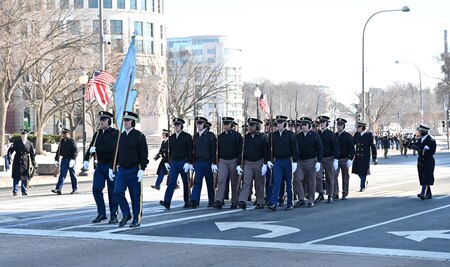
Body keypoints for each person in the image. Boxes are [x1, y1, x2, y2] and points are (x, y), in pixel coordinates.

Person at [112, 111, 149, 227]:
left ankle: (136, 219)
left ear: (133, 122)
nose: (125, 123)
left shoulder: (139, 136)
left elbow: (144, 154)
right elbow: (116, 154)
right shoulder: (121, 136)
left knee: (135, 195)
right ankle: (126, 213)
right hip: (122, 169)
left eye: (127, 121)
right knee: (117, 191)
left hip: (134, 168)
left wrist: (142, 168)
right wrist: (112, 168)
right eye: (124, 120)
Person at [83, 111, 120, 224]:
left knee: (112, 191)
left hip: (111, 165)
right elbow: (91, 146)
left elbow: (111, 148)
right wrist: (86, 159)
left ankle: (114, 214)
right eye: (101, 120)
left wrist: (97, 150)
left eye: (104, 120)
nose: (101, 122)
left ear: (109, 120)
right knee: (96, 189)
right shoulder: (97, 133)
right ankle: (101, 213)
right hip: (100, 166)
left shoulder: (115, 133)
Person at [160, 118, 193, 209]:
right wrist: (166, 161)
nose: (176, 127)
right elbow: (168, 151)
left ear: (181, 126)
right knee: (171, 182)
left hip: (183, 161)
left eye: (178, 125)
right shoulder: (172, 137)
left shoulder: (187, 136)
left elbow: (190, 150)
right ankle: (167, 201)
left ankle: (187, 200)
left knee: (185, 182)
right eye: (175, 125)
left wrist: (189, 162)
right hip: (174, 162)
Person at [267, 115, 298, 211]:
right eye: (277, 123)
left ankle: (290, 202)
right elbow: (269, 149)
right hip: (278, 161)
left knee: (289, 183)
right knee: (276, 182)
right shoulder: (273, 135)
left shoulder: (291, 135)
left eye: (280, 123)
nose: (279, 125)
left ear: (285, 124)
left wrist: (295, 161)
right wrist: (269, 160)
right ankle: (274, 203)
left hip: (287, 160)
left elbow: (295, 149)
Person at [237, 118, 268, 210]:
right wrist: (240, 164)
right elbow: (241, 152)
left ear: (257, 126)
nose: (250, 127)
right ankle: (242, 200)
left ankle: (260, 201)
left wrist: (265, 163)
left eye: (252, 126)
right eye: (249, 125)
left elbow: (266, 151)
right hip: (248, 163)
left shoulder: (262, 137)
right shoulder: (245, 138)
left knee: (259, 183)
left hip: (259, 162)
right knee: (246, 182)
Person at [214, 117, 243, 209]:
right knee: (221, 180)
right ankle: (219, 200)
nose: (225, 126)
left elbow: (240, 151)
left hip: (233, 160)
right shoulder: (220, 136)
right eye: (224, 124)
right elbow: (217, 150)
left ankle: (234, 201)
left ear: (231, 125)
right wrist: (215, 162)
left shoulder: (237, 136)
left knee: (234, 182)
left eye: (227, 124)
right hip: (222, 160)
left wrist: (239, 164)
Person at [294, 117, 322, 208]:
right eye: (302, 125)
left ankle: (311, 200)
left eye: (305, 125)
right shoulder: (298, 136)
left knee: (311, 181)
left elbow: (319, 149)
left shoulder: (314, 135)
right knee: (297, 179)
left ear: (309, 126)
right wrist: (294, 161)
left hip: (311, 160)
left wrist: (319, 161)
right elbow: (294, 149)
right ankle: (301, 198)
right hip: (300, 161)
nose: (303, 127)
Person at [190, 116, 217, 208]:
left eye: (200, 123)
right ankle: (194, 200)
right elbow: (193, 150)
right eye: (197, 123)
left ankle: (212, 201)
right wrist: (192, 162)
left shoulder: (211, 135)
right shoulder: (196, 136)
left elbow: (214, 150)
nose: (199, 125)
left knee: (209, 182)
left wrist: (214, 162)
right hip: (198, 162)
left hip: (208, 161)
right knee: (197, 182)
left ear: (204, 124)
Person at [315, 115, 340, 203]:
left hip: (329, 158)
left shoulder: (331, 135)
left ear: (327, 123)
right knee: (318, 176)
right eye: (320, 123)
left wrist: (336, 159)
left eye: (323, 122)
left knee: (330, 177)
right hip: (319, 158)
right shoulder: (316, 134)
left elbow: (336, 148)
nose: (321, 124)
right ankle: (320, 193)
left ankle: (330, 195)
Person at [409, 125, 436, 200]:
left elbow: (432, 151)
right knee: (423, 177)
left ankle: (423, 193)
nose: (418, 133)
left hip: (428, 161)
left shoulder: (431, 140)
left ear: (423, 132)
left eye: (419, 131)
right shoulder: (420, 139)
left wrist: (421, 150)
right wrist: (408, 144)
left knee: (425, 177)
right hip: (421, 161)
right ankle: (428, 194)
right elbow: (415, 146)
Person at [8, 130, 36, 196]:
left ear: (27, 136)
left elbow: (32, 154)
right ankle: (15, 190)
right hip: (17, 160)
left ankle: (24, 190)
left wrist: (34, 163)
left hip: (25, 161)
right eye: (22, 135)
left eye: (24, 135)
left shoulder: (30, 144)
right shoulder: (16, 142)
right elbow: (11, 150)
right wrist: (9, 157)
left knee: (24, 177)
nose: (23, 136)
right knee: (16, 176)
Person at [352, 122, 377, 192]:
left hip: (365, 156)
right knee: (358, 171)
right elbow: (352, 142)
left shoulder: (369, 135)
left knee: (363, 171)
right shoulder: (356, 134)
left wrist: (374, 157)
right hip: (357, 155)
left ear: (363, 127)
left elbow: (373, 147)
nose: (358, 129)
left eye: (359, 127)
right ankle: (364, 181)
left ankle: (362, 186)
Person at [333, 118, 355, 200]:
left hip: (345, 158)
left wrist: (350, 158)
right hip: (336, 159)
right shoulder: (334, 136)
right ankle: (335, 193)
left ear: (344, 126)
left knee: (345, 177)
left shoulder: (348, 136)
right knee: (334, 175)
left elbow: (352, 149)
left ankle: (345, 193)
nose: (339, 127)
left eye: (340, 125)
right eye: (338, 125)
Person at [52, 128, 78, 195]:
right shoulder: (62, 141)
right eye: (63, 133)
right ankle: (58, 189)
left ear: (68, 134)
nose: (64, 135)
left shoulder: (72, 141)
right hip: (64, 159)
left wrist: (73, 159)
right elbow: (58, 151)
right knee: (62, 175)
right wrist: (56, 159)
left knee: (73, 175)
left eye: (65, 133)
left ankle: (75, 189)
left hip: (71, 159)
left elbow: (75, 151)